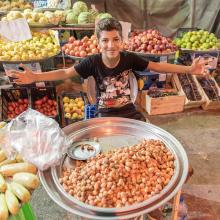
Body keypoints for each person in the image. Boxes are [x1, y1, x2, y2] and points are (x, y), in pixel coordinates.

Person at [8, 18, 207, 120]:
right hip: (104, 113)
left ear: (122, 41)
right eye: (105, 40)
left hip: (129, 111)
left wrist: (190, 69)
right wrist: (34, 76)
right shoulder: (92, 62)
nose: (110, 45)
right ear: (98, 42)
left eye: (115, 40)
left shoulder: (129, 59)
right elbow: (65, 73)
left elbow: (156, 65)